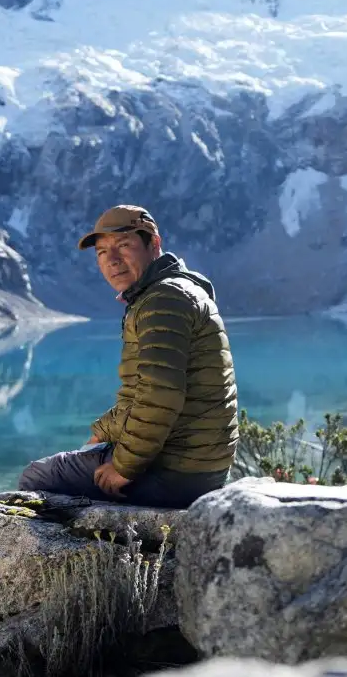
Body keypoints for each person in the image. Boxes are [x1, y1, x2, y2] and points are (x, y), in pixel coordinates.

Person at [17, 204, 239, 509]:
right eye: (102, 252)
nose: (113, 260)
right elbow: (145, 395)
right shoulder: (171, 292)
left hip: (176, 471)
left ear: (154, 244)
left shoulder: (163, 300)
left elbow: (159, 397)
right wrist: (103, 429)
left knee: (37, 477)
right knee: (84, 456)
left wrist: (124, 467)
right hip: (198, 464)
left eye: (124, 245)